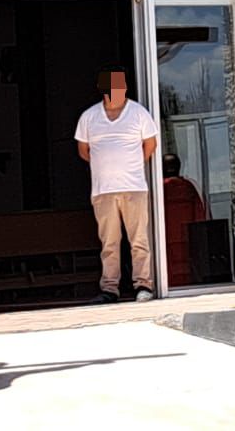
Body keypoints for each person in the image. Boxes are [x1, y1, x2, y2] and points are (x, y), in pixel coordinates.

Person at [75, 66, 160, 304]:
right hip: (103, 190)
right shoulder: (89, 117)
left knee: (138, 240)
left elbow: (150, 145)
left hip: (133, 187)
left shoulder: (138, 113)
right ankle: (110, 289)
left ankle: (143, 285)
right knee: (109, 243)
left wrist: (130, 165)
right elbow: (83, 150)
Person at [160, 154, 208, 288]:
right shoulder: (188, 187)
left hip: (165, 238)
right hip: (187, 238)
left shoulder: (159, 190)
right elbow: (199, 214)